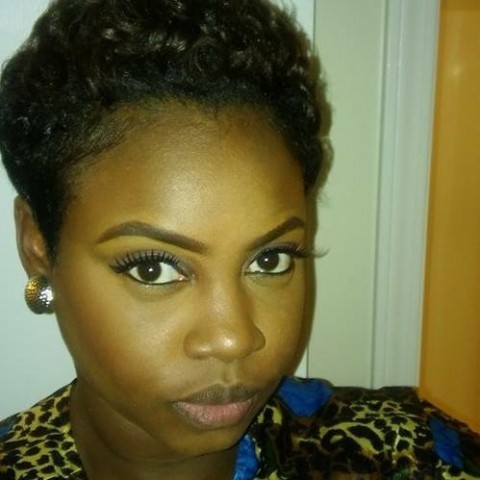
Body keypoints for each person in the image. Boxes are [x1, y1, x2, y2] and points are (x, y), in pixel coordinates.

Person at [0, 0, 478, 479]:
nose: (234, 339)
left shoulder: (407, 453)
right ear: (38, 245)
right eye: (154, 268)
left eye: (270, 260)